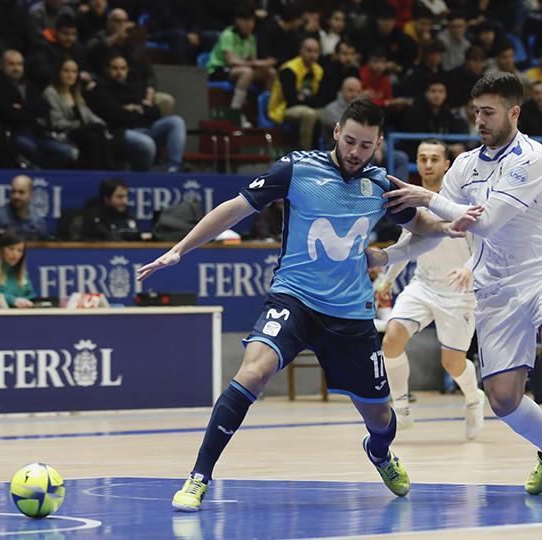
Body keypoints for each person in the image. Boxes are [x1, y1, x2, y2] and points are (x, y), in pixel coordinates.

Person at [136, 98, 475, 511]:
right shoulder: (296, 169)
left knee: (382, 420)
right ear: (336, 132)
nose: (355, 152)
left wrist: (446, 226)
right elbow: (234, 209)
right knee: (254, 371)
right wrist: (180, 250)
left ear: (378, 144)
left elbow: (418, 224)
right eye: (349, 140)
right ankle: (198, 476)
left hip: (350, 314)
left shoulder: (382, 185)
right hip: (294, 298)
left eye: (365, 145)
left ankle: (380, 453)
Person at [379, 73, 542, 500]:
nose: (480, 120)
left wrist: (425, 196)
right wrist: (388, 257)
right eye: (476, 111)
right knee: (502, 399)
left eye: (489, 112)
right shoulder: (464, 165)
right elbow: (443, 227)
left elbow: (488, 221)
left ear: (513, 112)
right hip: (495, 285)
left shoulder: (531, 157)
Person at [374, 139, 486, 439]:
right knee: (391, 340)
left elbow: (484, 244)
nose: (427, 164)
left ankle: (474, 399)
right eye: (422, 158)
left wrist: (468, 268)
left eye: (434, 159)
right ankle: (401, 409)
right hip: (422, 285)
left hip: (459, 291)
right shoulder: (410, 198)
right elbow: (406, 245)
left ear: (446, 164)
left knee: (452, 363)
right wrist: (385, 280)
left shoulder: (460, 199)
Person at [89, 53, 187, 172]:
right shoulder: (100, 90)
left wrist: (134, 109)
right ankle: (142, 178)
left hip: (145, 128)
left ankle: (173, 168)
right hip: (119, 134)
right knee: (146, 143)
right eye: (115, 68)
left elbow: (155, 112)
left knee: (176, 121)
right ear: (106, 69)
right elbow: (117, 117)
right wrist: (141, 109)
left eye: (123, 68)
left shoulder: (134, 86)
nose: (120, 72)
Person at [0, 49, 77, 169]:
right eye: (11, 64)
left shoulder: (30, 84)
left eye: (19, 64)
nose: (16, 68)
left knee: (66, 152)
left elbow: (44, 107)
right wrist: (30, 111)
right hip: (12, 132)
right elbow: (9, 115)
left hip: (37, 131)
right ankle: (37, 173)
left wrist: (22, 107)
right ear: (2, 66)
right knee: (29, 147)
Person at [43, 58, 116, 170]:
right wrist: (83, 125)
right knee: (93, 133)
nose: (70, 75)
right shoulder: (51, 93)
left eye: (74, 71)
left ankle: (105, 173)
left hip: (83, 132)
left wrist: (100, 124)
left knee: (95, 134)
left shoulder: (76, 93)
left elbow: (89, 116)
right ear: (58, 73)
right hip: (63, 134)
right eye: (66, 71)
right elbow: (57, 122)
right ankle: (105, 173)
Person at [205, 6, 276, 115]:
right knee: (247, 72)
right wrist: (253, 63)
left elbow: (253, 60)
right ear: (238, 21)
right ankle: (235, 112)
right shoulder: (228, 34)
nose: (250, 24)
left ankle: (264, 110)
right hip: (219, 69)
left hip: (241, 69)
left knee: (270, 72)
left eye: (252, 21)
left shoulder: (251, 38)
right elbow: (230, 61)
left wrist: (264, 64)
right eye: (246, 20)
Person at [268, 37, 323, 150]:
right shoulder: (288, 69)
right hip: (284, 108)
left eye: (316, 52)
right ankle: (306, 153)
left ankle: (327, 153)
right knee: (309, 114)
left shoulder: (319, 70)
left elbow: (320, 98)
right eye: (309, 51)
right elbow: (292, 100)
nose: (312, 55)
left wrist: (305, 99)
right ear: (301, 51)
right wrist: (308, 100)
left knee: (327, 114)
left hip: (307, 106)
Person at [0, 175, 50, 240]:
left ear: (31, 194)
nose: (16, 196)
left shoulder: (37, 222)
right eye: (13, 192)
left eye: (21, 192)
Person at [81, 177, 141, 241]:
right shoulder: (95, 220)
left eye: (126, 196)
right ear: (106, 199)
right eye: (120, 197)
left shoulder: (130, 217)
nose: (125, 201)